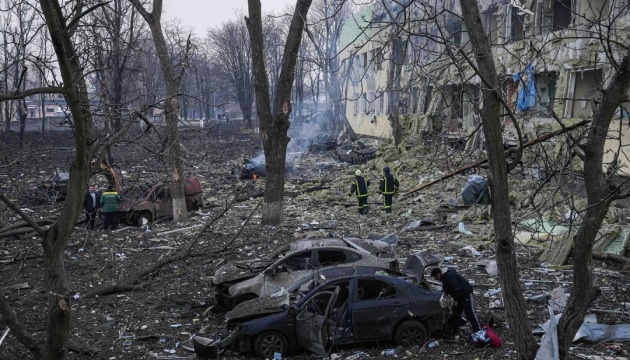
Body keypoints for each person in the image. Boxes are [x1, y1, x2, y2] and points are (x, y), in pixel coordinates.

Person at [431, 267, 481, 334]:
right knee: (456, 312)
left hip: (466, 293)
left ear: (438, 274)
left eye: (436, 277)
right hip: (460, 295)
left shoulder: (448, 277)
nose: (436, 279)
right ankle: (457, 326)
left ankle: (478, 330)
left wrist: (455, 301)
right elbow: (446, 288)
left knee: (470, 312)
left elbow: (457, 289)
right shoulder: (445, 276)